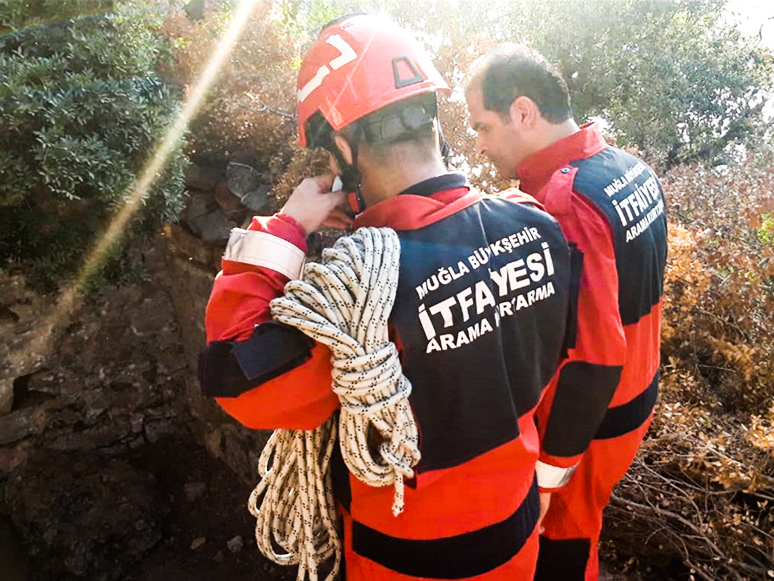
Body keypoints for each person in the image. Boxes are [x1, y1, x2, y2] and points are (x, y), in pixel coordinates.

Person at [199, 15, 574, 581]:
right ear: (433, 120)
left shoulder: (358, 295)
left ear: (343, 148)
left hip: (407, 558)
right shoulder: (538, 226)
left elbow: (234, 374)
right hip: (515, 535)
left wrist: (287, 229)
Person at [465, 44, 668, 581]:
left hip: (590, 421)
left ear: (524, 112)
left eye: (483, 127)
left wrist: (550, 474)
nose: (479, 146)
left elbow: (592, 358)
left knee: (564, 545)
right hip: (636, 394)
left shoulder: (567, 205)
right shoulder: (628, 168)